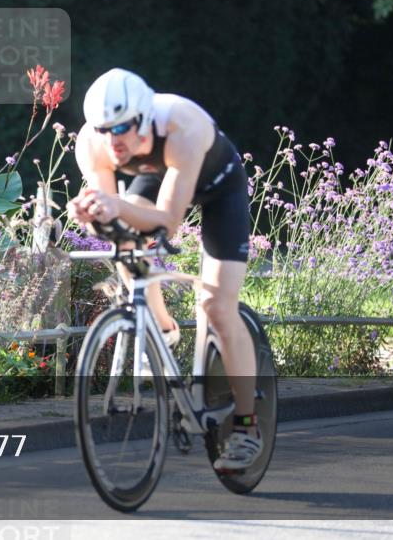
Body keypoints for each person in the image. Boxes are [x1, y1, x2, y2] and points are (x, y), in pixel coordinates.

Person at [67, 67, 262, 471]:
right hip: (156, 179)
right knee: (124, 244)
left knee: (216, 307)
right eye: (104, 129)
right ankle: (160, 329)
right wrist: (91, 213)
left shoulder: (180, 124)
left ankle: (247, 425)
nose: (113, 140)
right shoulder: (93, 143)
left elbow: (166, 221)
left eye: (122, 128)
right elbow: (114, 217)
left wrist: (116, 206)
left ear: (142, 118)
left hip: (217, 186)